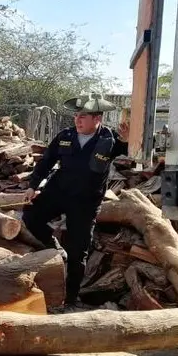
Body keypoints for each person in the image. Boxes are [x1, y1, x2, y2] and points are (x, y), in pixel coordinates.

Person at [22, 95, 130, 307]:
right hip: (58, 191)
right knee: (31, 216)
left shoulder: (110, 140)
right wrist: (33, 186)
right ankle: (54, 247)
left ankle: (70, 299)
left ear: (97, 118)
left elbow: (135, 151)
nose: (77, 120)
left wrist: (129, 140)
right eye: (76, 116)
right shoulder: (66, 135)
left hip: (86, 201)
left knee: (78, 251)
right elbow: (46, 162)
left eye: (83, 116)